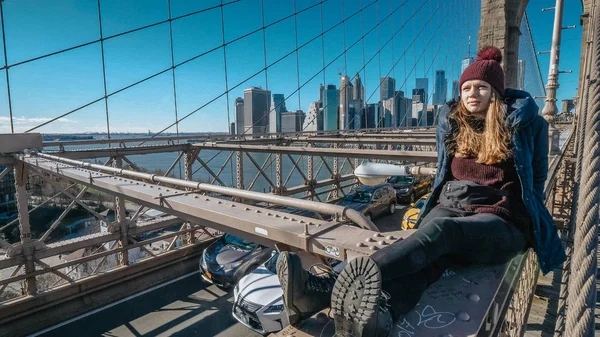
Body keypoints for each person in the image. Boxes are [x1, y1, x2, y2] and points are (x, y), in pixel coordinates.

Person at [275, 46, 566, 337]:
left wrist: (535, 225)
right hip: (453, 203)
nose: (472, 93)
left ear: (496, 92)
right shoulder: (453, 124)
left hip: (500, 218)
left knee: (443, 233)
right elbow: (444, 172)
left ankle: (328, 287)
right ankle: (380, 316)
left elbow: (537, 179)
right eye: (466, 88)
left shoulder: (526, 126)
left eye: (481, 87)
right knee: (428, 260)